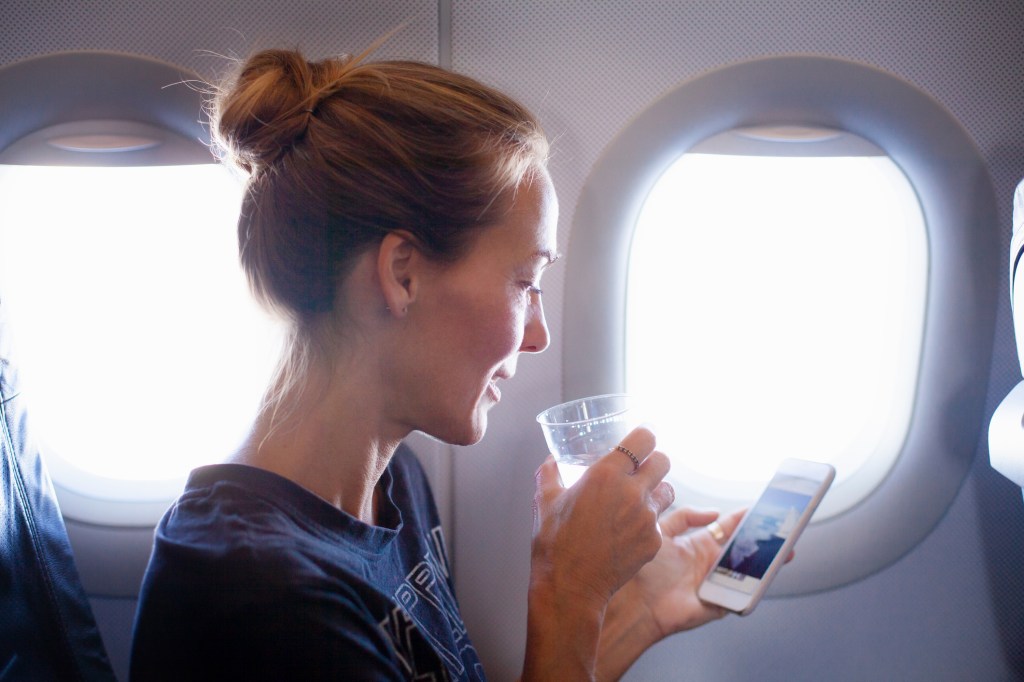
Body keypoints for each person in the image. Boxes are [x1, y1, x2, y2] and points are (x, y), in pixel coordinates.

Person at [129, 45, 743, 681]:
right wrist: (569, 594)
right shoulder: (257, 595)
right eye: (525, 282)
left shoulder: (395, 488)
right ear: (402, 274)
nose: (540, 335)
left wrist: (631, 613)